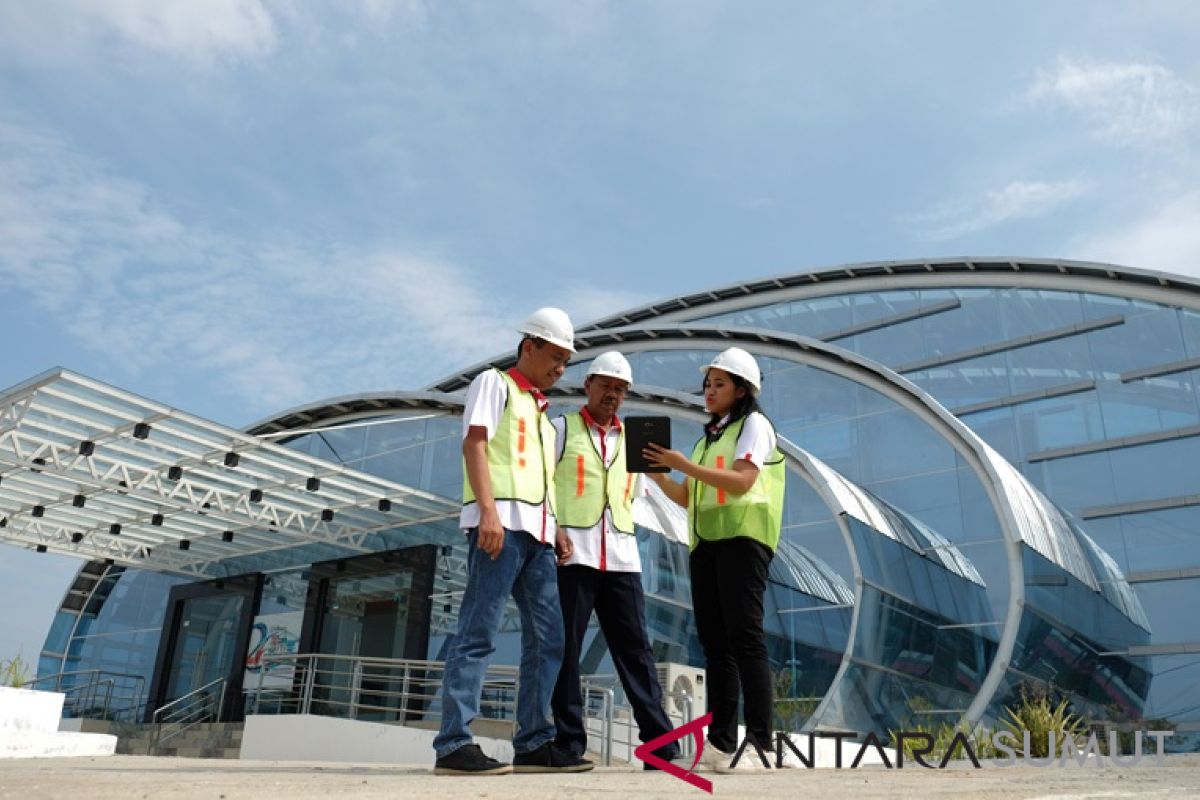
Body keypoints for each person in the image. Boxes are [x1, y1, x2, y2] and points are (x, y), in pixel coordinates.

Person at [433, 307, 594, 776]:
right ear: (529, 347)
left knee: (550, 639)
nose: (561, 368)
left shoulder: (544, 417)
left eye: (567, 361)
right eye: (555, 356)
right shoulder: (494, 384)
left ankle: (532, 741)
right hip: (499, 527)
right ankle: (453, 743)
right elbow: (475, 444)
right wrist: (486, 511)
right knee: (478, 632)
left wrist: (557, 526)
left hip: (539, 537)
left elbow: (539, 479)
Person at [643, 347, 785, 773]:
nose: (709, 390)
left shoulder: (754, 426)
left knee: (745, 639)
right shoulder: (708, 439)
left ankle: (760, 744)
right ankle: (721, 744)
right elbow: (689, 497)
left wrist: (684, 463)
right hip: (706, 544)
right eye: (708, 383)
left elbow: (743, 481)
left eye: (720, 383)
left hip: (744, 539)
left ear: (742, 390)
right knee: (715, 645)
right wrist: (661, 475)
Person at [549, 351, 682, 769]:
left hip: (622, 557)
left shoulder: (639, 440)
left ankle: (660, 744)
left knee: (636, 651)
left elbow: (645, 496)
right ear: (587, 385)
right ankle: (569, 742)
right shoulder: (559, 429)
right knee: (566, 649)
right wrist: (554, 529)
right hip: (573, 555)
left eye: (621, 388)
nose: (613, 394)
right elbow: (541, 485)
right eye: (606, 384)